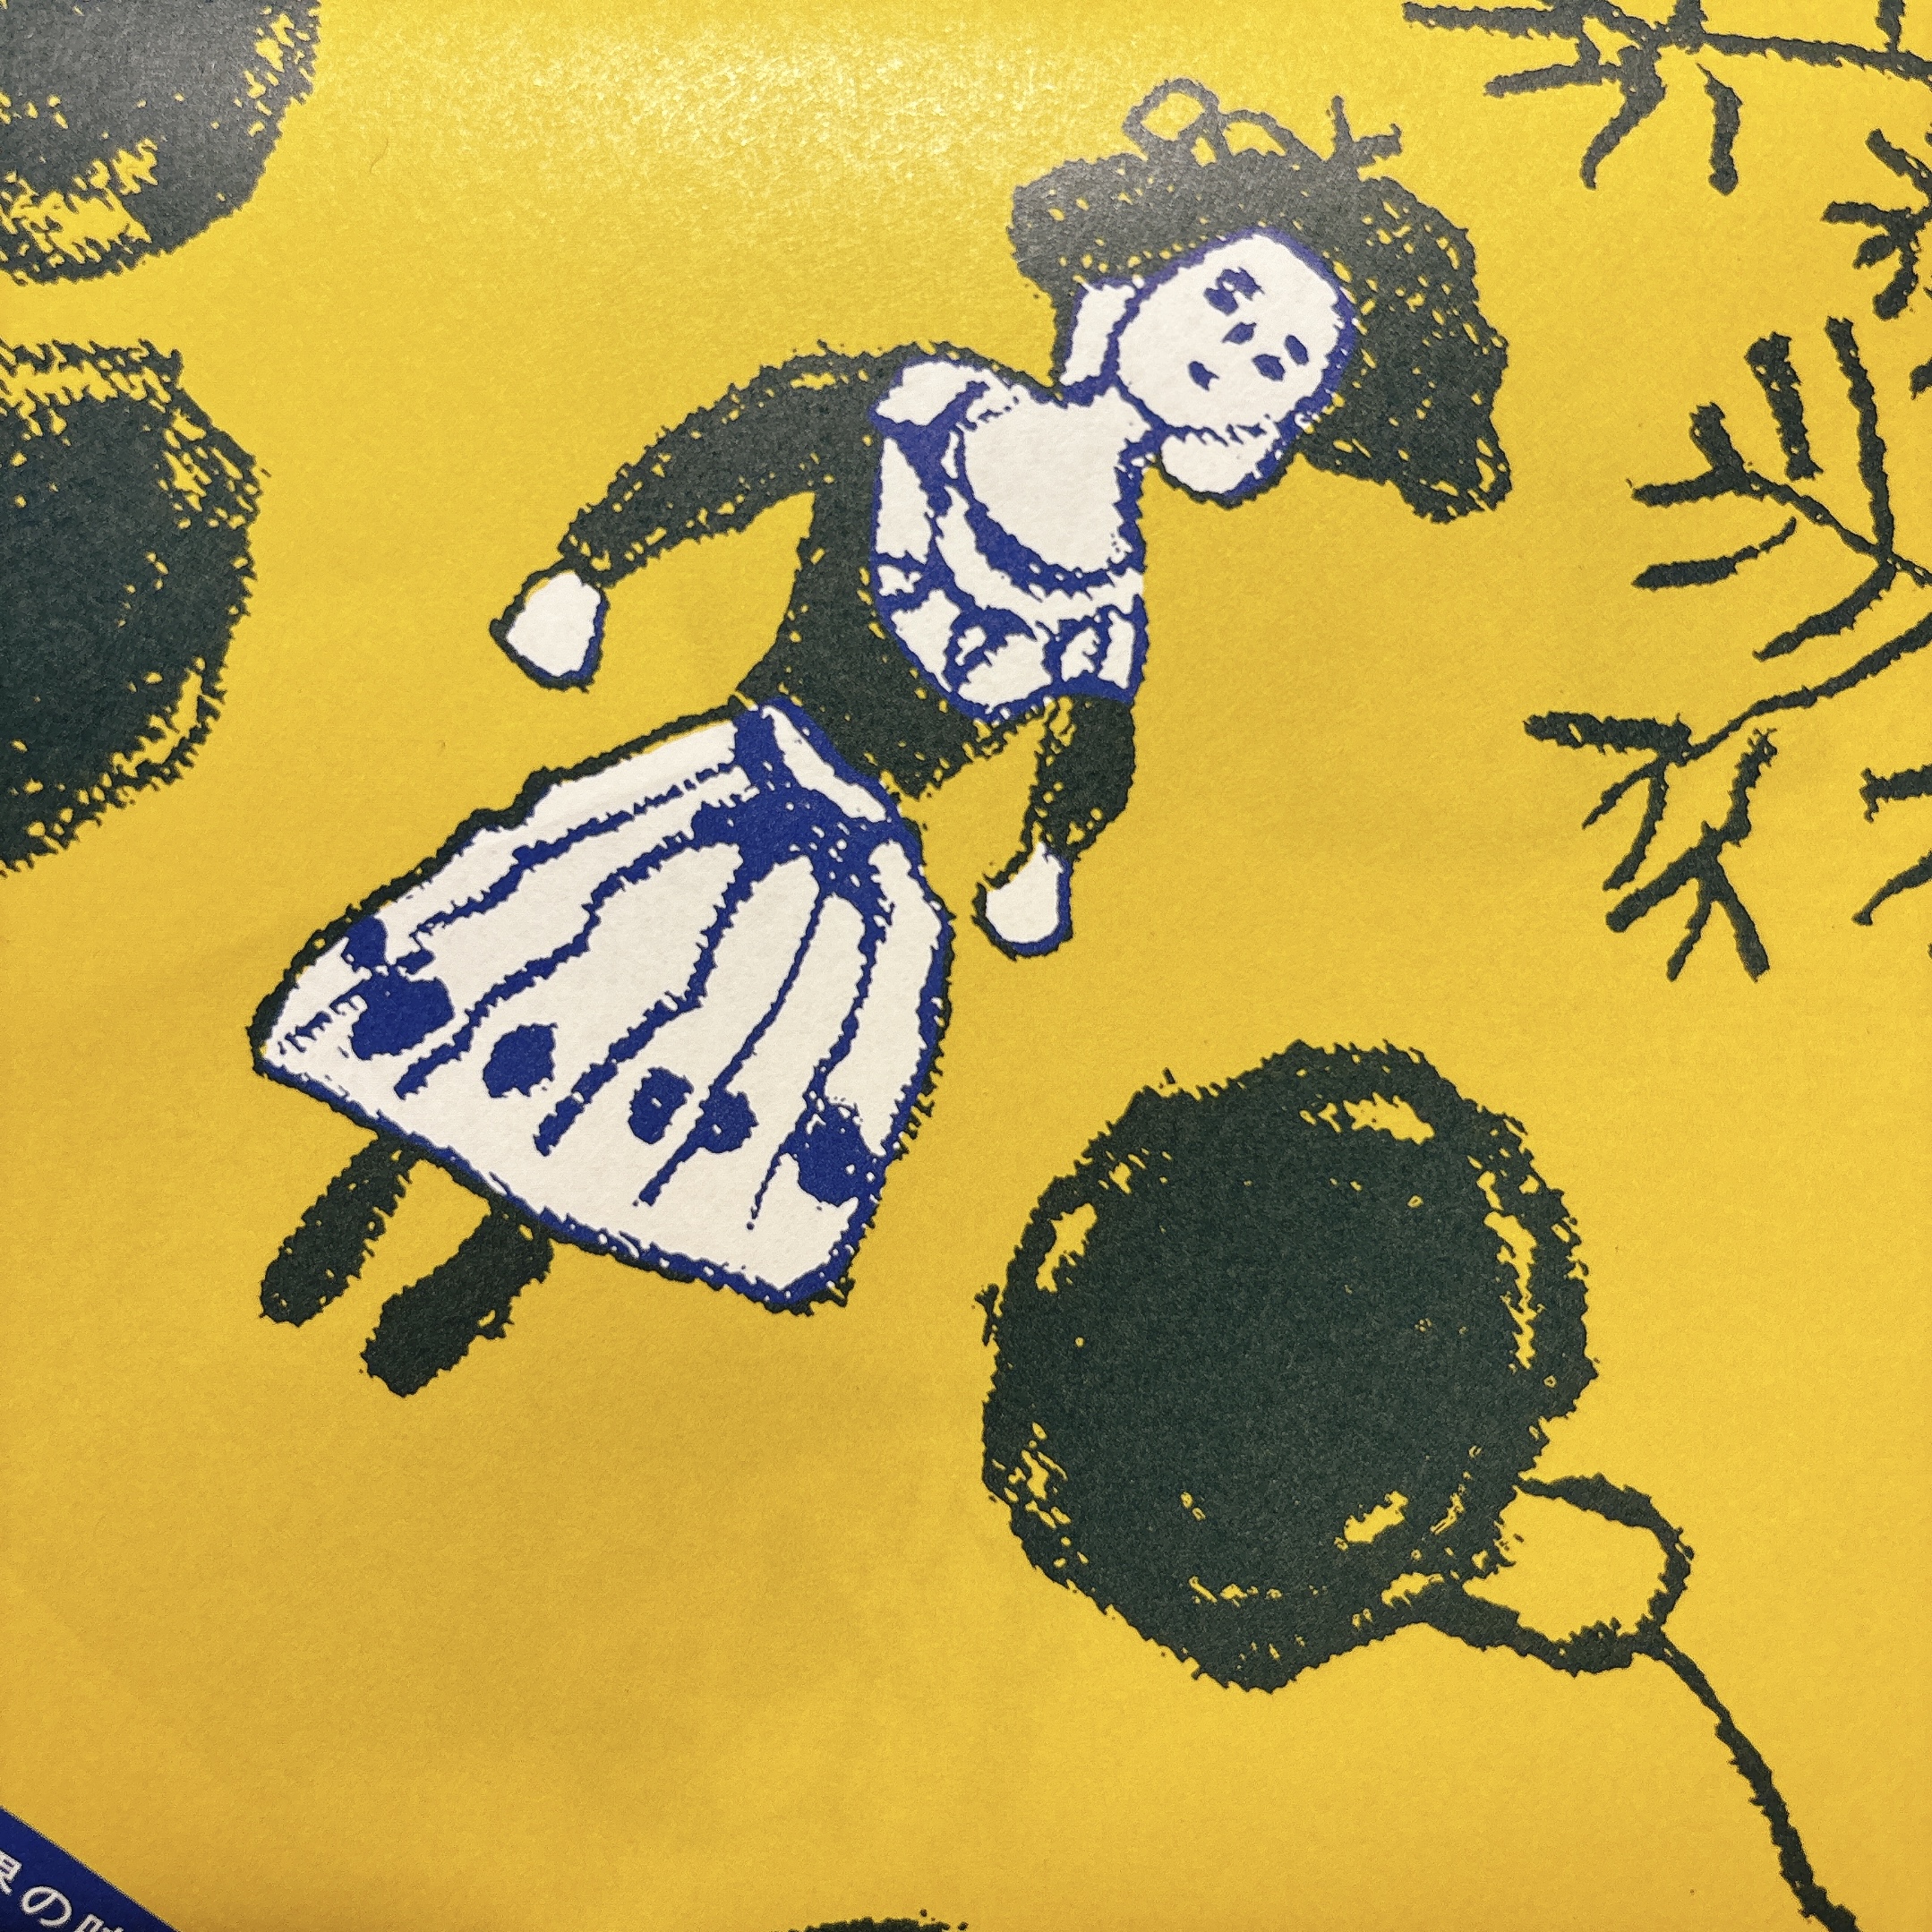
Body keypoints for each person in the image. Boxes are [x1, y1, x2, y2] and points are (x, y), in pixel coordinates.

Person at [250, 80, 1511, 1389]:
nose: (1233, 346)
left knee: (681, 1061)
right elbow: (752, 442)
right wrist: (592, 567)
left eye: (1279, 360)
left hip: (849, 877)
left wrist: (1050, 856)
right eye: (1229, 297)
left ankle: (494, 1265)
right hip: (725, 777)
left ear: (1265, 430)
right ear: (1142, 274)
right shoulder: (927, 408)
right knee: (544, 970)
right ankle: (369, 1183)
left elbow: (1091, 748)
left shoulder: (1108, 600)